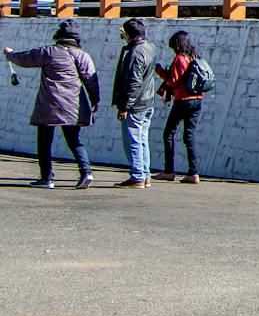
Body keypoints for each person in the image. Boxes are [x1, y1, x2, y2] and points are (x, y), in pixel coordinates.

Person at [5, 21, 100, 189]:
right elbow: (91, 81)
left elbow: (26, 59)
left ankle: (47, 178)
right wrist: (95, 100)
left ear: (59, 37)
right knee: (74, 140)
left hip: (50, 105)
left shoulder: (49, 52)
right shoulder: (83, 56)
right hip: (74, 105)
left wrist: (10, 54)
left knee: (44, 141)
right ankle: (86, 172)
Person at [110, 19, 160, 188]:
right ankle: (145, 174)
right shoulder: (150, 48)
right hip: (147, 102)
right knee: (142, 139)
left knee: (132, 141)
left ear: (130, 35)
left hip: (136, 104)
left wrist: (125, 106)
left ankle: (137, 175)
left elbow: (133, 82)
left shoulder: (135, 52)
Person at [157, 30, 206, 184]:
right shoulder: (194, 57)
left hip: (183, 100)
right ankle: (194, 172)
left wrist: (160, 72)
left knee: (169, 133)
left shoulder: (179, 59)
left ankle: (169, 170)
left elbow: (173, 82)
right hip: (197, 100)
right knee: (189, 136)